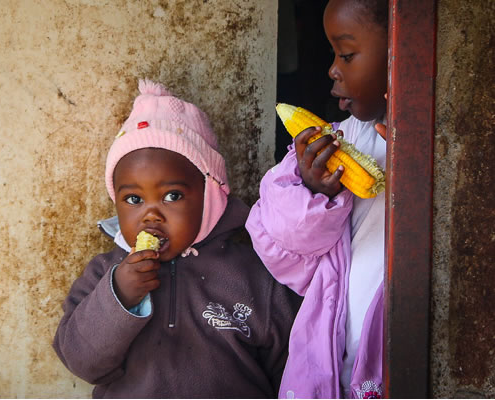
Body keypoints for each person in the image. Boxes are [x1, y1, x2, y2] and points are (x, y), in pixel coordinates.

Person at [53, 79, 300, 398]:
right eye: (133, 200)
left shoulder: (258, 278)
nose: (150, 215)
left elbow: (294, 369)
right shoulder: (104, 274)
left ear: (210, 197)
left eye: (171, 195)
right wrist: (119, 296)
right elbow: (82, 362)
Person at [245, 0, 388, 398]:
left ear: (401, 52)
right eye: (332, 55)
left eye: (346, 54)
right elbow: (277, 244)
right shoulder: (334, 144)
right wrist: (312, 191)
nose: (333, 70)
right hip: (333, 361)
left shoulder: (450, 148)